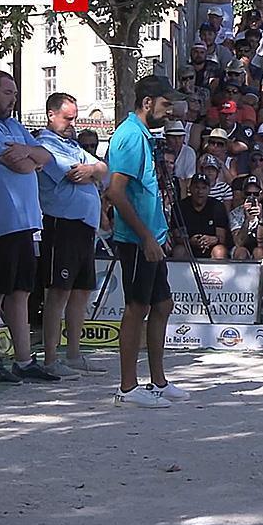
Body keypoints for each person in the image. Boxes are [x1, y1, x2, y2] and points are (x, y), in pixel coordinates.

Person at [107, 76, 191, 408]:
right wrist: (145, 237)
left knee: (162, 305)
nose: (170, 111)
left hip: (152, 237)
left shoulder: (144, 135)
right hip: (137, 239)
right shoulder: (129, 137)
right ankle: (127, 388)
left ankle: (158, 382)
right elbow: (115, 192)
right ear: (147, 103)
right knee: (136, 308)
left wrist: (157, 233)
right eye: (166, 104)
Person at [0, 70, 59, 384]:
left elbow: (44, 156)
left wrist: (29, 153)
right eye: (8, 92)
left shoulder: (13, 125)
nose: (13, 99)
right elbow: (20, 163)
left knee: (21, 291)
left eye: (15, 93)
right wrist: (28, 156)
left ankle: (24, 359)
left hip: (25, 221)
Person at [35, 92, 110, 379]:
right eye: (67, 118)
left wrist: (92, 169)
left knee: (80, 291)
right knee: (59, 291)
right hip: (61, 224)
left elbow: (103, 169)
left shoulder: (71, 144)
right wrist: (92, 171)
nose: (72, 123)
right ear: (51, 115)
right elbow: (71, 174)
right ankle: (51, 357)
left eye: (75, 118)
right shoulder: (44, 144)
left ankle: (74, 353)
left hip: (84, 226)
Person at [229, 175, 263, 260]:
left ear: (261, 194)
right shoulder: (235, 213)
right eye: (248, 194)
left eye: (255, 194)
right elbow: (239, 243)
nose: (252, 197)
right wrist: (247, 220)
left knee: (259, 252)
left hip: (261, 248)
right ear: (243, 194)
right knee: (241, 252)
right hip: (242, 247)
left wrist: (261, 219)